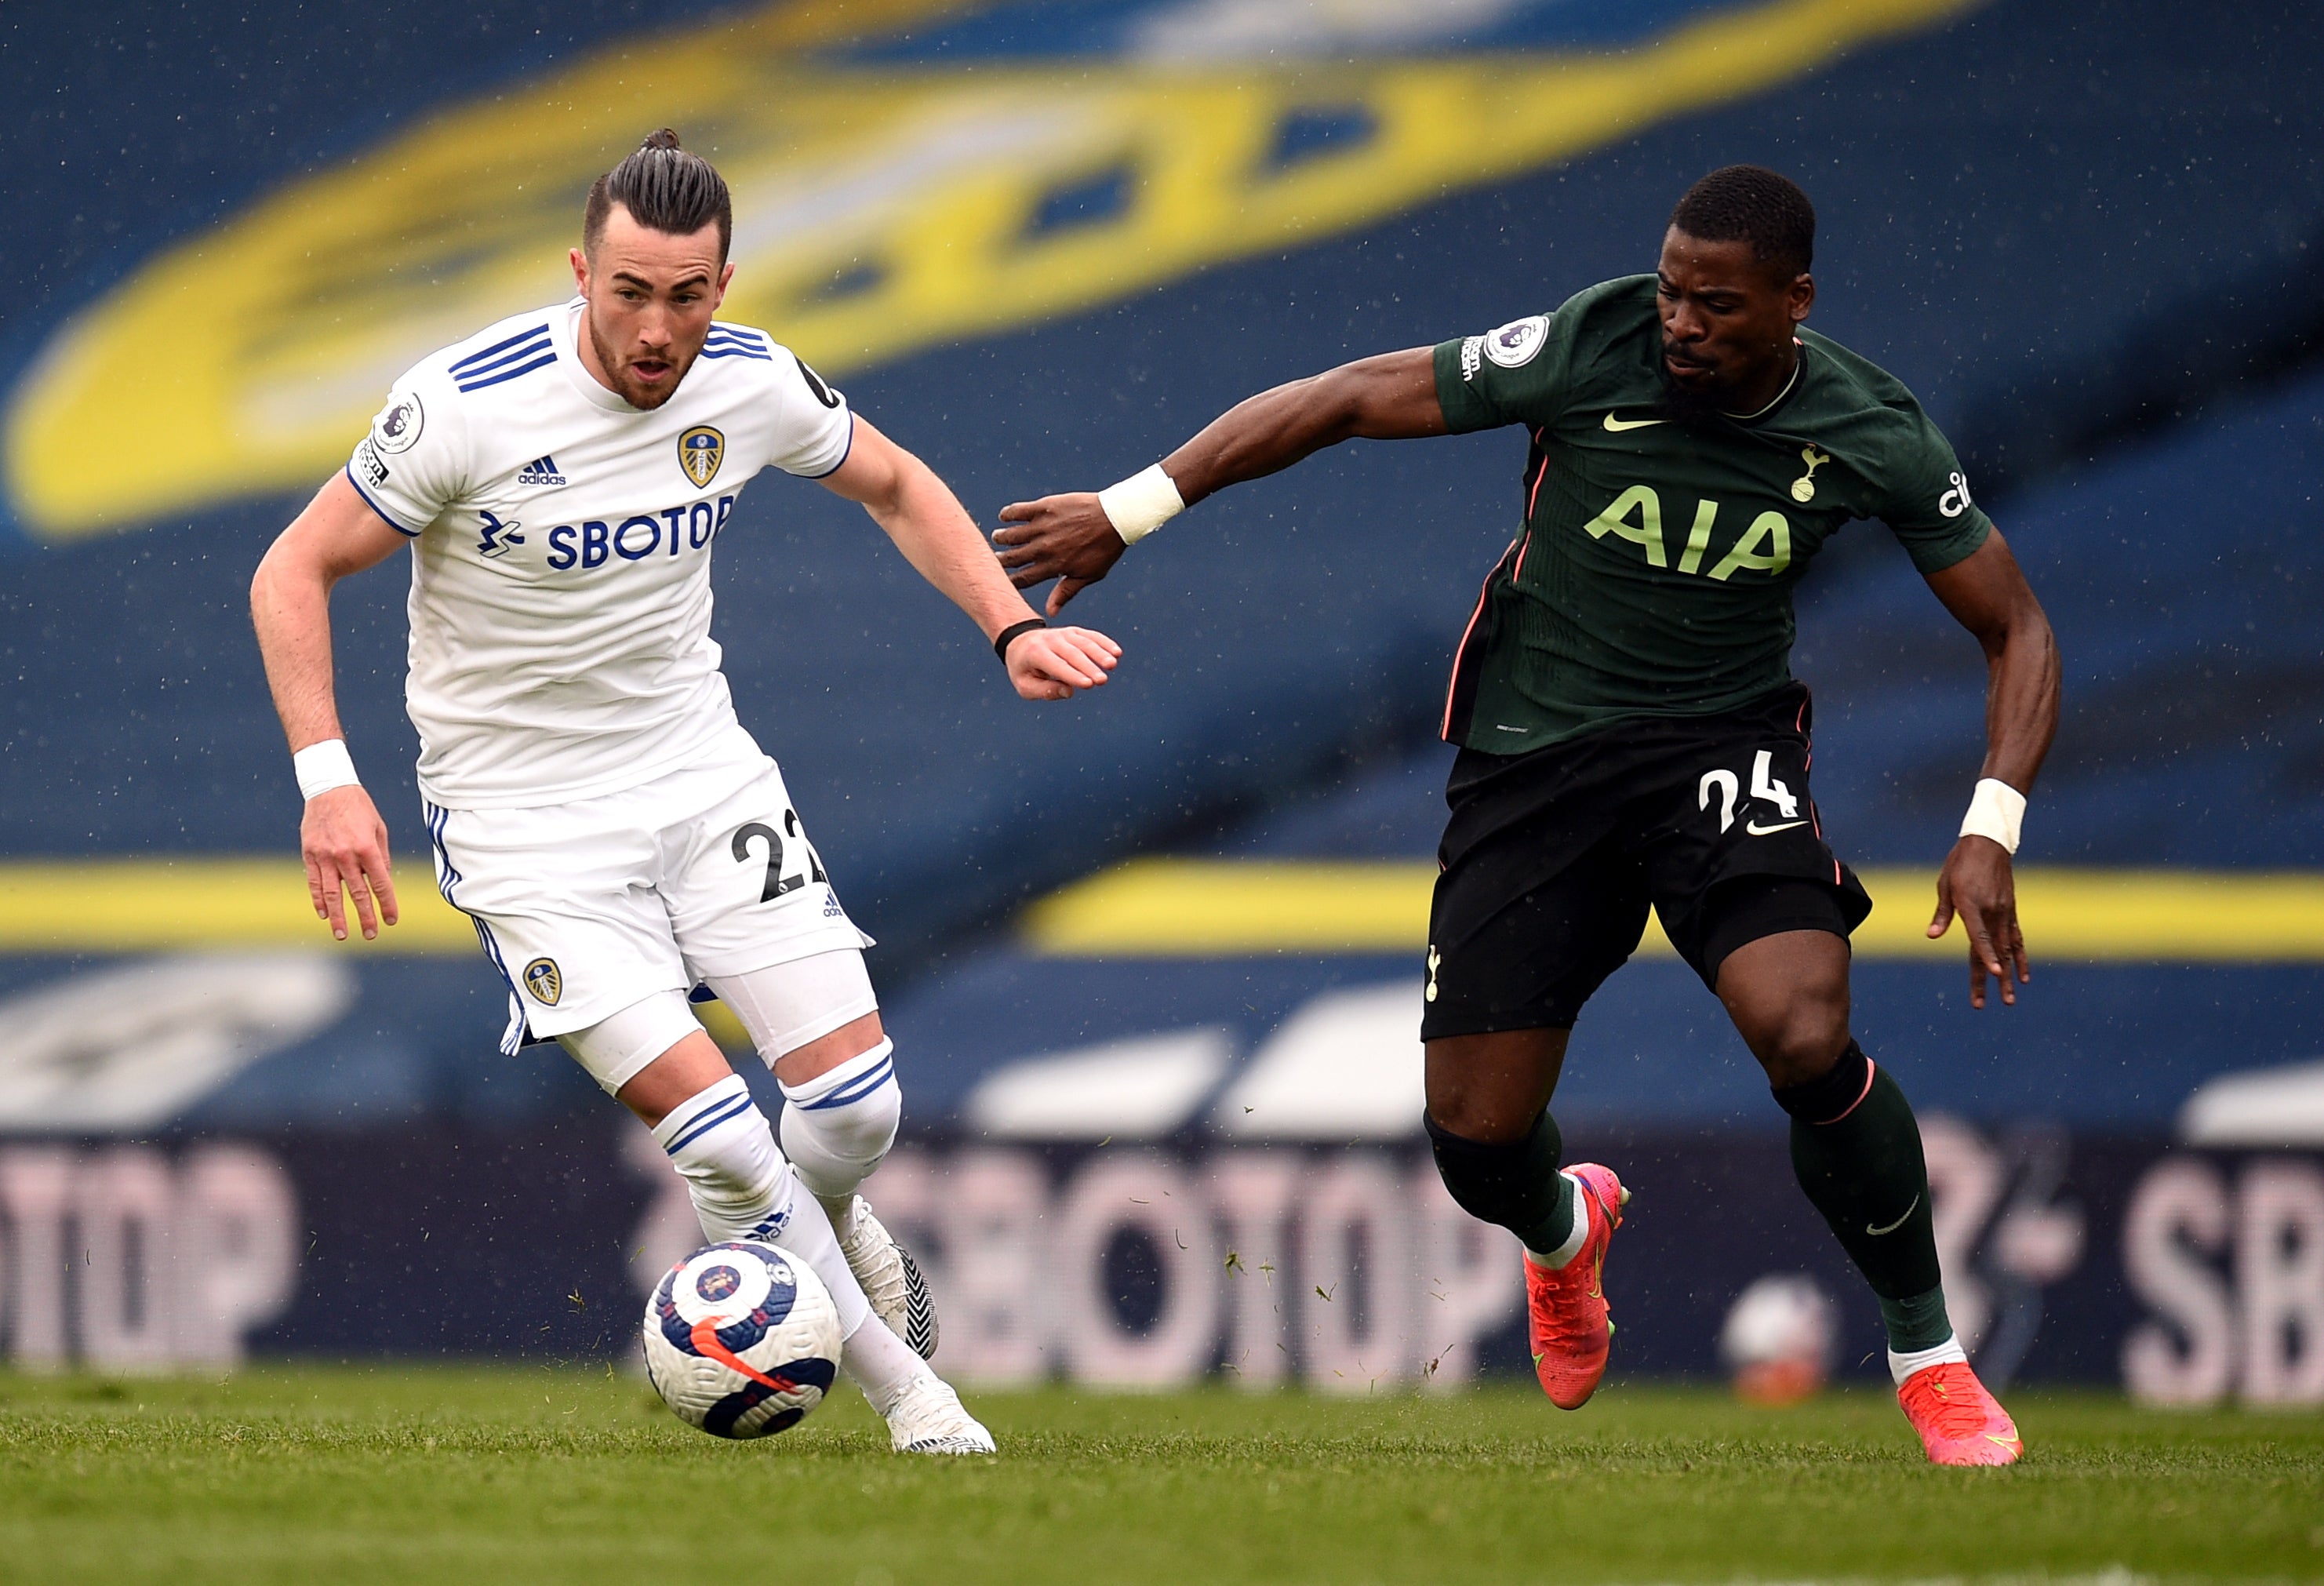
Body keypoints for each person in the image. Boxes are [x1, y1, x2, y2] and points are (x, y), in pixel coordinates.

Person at [992, 166, 2055, 1467]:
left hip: (1718, 757)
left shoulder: (1870, 429)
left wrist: (1990, 824)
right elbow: (1341, 400)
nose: (1679, 322)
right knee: (1477, 1140)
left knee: (1803, 1027)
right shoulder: (1589, 342)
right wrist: (1132, 507)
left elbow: (2017, 626)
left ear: (1795, 303)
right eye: (1670, 291)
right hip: (1533, 765)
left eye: (1715, 304)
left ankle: (1931, 1361)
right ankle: (1566, 1233)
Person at [252, 129, 1119, 1453]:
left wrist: (1008, 626)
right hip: (521, 820)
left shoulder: (752, 380)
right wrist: (330, 780)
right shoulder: (466, 405)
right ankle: (914, 1399)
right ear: (580, 272)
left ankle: (822, 1221)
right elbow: (292, 569)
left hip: (701, 778)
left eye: (690, 295)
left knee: (855, 1108)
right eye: (631, 292)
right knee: (720, 1138)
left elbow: (891, 480)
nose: (659, 330)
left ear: (725, 282)